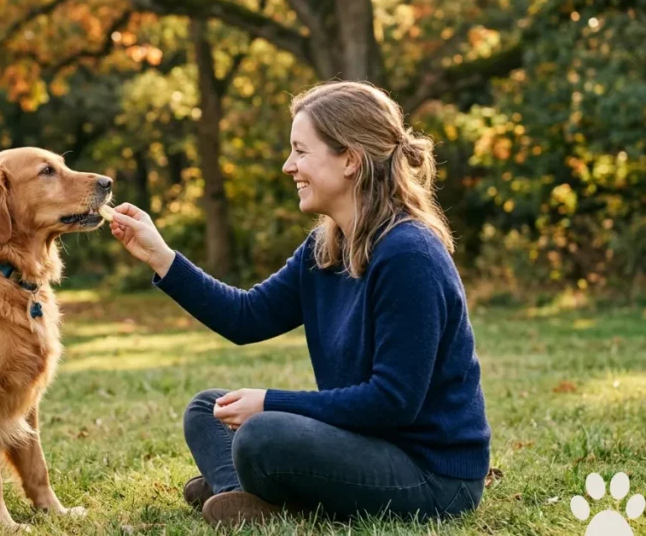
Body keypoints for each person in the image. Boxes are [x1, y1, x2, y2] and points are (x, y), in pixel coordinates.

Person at [107, 81, 491, 527]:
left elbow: (393, 402)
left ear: (350, 159)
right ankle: (245, 498)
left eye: (301, 151)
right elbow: (245, 317)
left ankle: (247, 488)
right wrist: (160, 255)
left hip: (431, 474)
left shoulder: (409, 254)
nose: (289, 166)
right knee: (207, 409)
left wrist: (271, 402)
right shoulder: (324, 248)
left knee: (261, 433)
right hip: (364, 442)